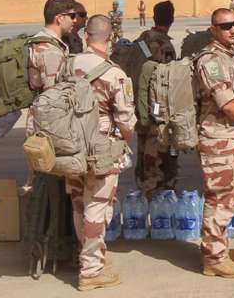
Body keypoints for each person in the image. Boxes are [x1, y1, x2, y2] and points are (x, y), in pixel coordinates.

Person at [64, 15, 136, 290]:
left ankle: (87, 260)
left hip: (70, 147)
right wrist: (126, 137)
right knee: (97, 206)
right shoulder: (113, 73)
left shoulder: (67, 66)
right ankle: (92, 272)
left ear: (86, 37)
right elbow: (126, 122)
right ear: (111, 39)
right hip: (101, 149)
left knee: (79, 205)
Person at [193, 8, 234, 279]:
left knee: (227, 197)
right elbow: (228, 105)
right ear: (213, 30)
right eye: (225, 26)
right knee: (220, 198)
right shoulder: (211, 60)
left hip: (229, 136)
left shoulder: (232, 56)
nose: (232, 29)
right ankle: (214, 258)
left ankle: (218, 250)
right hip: (217, 138)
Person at [134, 0, 179, 196]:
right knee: (158, 150)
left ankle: (146, 184)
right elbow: (167, 79)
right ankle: (156, 191)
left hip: (141, 104)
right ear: (172, 19)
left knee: (144, 148)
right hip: (158, 107)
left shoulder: (143, 39)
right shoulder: (165, 45)